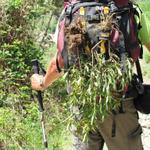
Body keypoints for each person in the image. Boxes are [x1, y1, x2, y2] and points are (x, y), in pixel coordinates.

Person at [31, 0, 150, 149]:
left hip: (83, 106)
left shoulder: (70, 12)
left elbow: (59, 63)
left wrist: (42, 83)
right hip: (119, 103)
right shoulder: (126, 8)